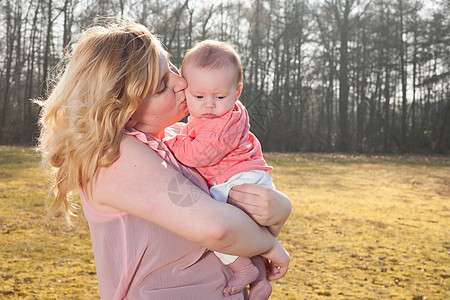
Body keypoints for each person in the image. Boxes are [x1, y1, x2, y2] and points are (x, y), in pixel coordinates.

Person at [36, 18, 291, 299]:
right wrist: (269, 245)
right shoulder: (114, 156)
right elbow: (219, 229)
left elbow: (239, 205)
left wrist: (279, 208)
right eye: (161, 85)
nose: (182, 82)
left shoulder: (179, 136)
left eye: (170, 66)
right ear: (121, 108)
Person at [164, 40, 278, 299]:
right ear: (186, 91)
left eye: (219, 97)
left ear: (237, 92)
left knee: (214, 223)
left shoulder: (223, 124)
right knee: (249, 237)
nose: (209, 105)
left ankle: (242, 268)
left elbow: (197, 154)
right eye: (200, 96)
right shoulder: (221, 116)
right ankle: (260, 280)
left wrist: (169, 140)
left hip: (238, 181)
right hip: (245, 177)